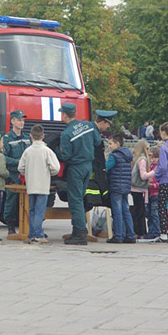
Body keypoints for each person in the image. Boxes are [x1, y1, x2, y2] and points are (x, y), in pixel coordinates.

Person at [58, 102, 102, 245]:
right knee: (80, 199)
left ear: (64, 115)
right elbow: (98, 141)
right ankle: (78, 231)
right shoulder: (88, 125)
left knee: (75, 200)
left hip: (76, 169)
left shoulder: (66, 134)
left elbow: (65, 156)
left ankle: (80, 234)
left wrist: (56, 151)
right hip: (88, 167)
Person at [18, 124, 60, 244]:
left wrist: (27, 172)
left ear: (31, 136)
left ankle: (32, 233)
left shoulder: (27, 151)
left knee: (32, 210)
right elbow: (55, 168)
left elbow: (21, 168)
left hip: (30, 185)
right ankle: (38, 234)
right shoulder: (47, 151)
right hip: (43, 185)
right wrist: (49, 172)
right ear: (43, 136)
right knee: (40, 211)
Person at [2, 110, 31, 235]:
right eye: (19, 120)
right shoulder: (7, 139)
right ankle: (10, 226)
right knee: (11, 201)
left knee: (29, 201)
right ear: (12, 121)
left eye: (23, 120)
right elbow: (3, 157)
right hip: (14, 175)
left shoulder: (27, 138)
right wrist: (18, 162)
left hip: (27, 175)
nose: (22, 122)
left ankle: (29, 226)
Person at [105, 134, 135, 243]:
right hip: (126, 186)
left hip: (116, 186)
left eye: (110, 143)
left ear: (117, 144)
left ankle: (118, 235)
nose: (109, 146)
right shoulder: (128, 155)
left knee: (117, 211)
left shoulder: (114, 156)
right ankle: (131, 235)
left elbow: (106, 167)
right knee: (125, 210)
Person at [86, 110, 116, 211]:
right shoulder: (94, 134)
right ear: (103, 122)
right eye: (108, 124)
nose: (108, 127)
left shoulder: (91, 129)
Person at [130, 140, 152, 238]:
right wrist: (154, 172)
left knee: (137, 210)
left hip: (134, 187)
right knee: (140, 211)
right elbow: (143, 176)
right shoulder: (143, 160)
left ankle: (139, 230)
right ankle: (140, 231)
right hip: (139, 188)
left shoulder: (136, 159)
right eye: (148, 148)